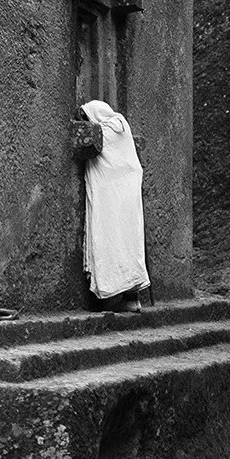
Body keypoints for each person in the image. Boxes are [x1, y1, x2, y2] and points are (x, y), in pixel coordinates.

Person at [80, 100, 150, 313]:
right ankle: (132, 298)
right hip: (128, 194)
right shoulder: (122, 125)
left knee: (112, 238)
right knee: (130, 241)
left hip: (113, 195)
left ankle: (115, 295)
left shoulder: (105, 130)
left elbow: (95, 147)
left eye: (86, 119)